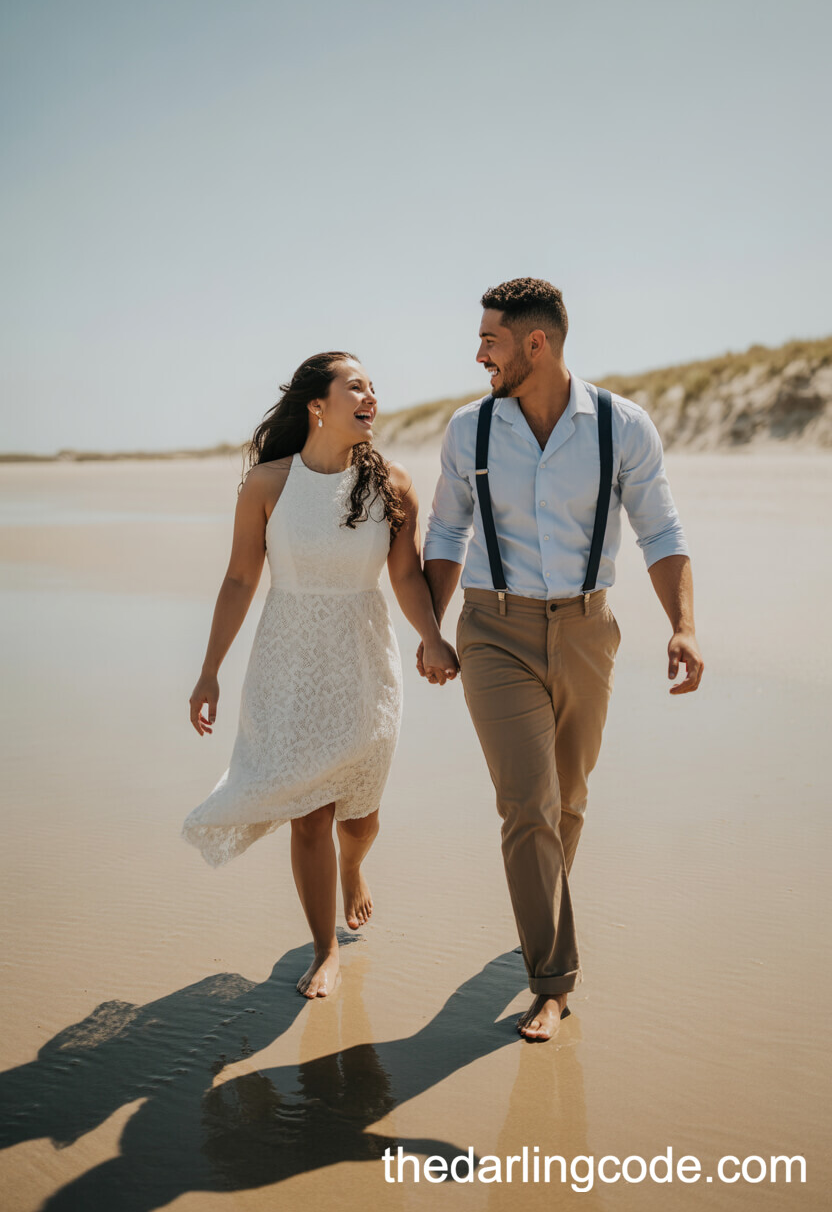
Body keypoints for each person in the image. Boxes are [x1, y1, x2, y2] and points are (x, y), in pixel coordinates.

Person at [419, 279, 704, 1042]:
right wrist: (432, 631)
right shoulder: (470, 429)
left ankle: (543, 910)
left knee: (568, 799)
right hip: (493, 630)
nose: (480, 354)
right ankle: (552, 981)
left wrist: (683, 626)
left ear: (535, 344)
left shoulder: (622, 426)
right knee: (527, 805)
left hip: (586, 631)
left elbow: (660, 529)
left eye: (491, 340)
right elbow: (445, 533)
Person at [183, 351, 458, 999]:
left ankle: (353, 867)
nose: (371, 397)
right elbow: (240, 578)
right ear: (318, 405)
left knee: (358, 818)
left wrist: (433, 638)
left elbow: (404, 576)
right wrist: (209, 671)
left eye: (373, 387)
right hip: (289, 662)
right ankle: (324, 948)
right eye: (355, 387)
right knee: (309, 815)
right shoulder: (267, 484)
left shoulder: (392, 484)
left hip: (364, 662)